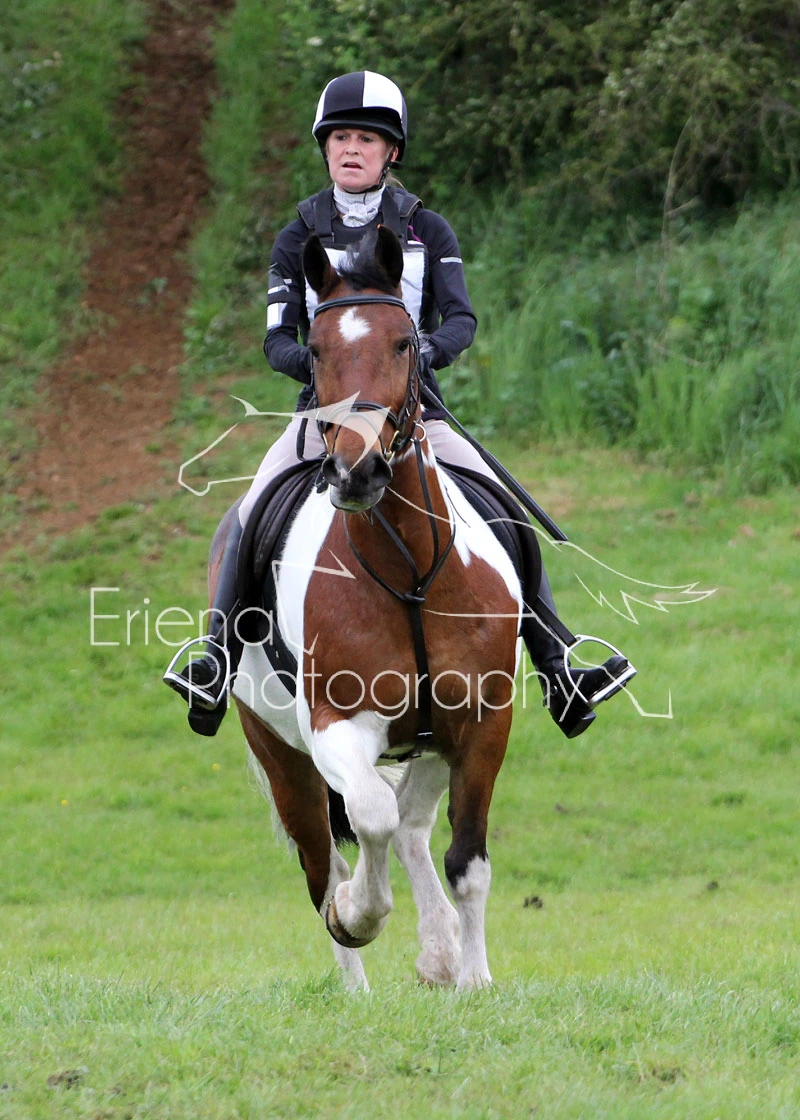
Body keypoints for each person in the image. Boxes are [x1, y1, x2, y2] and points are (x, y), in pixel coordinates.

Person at [164, 70, 636, 737]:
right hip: (324, 415)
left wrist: (418, 358)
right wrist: (330, 374)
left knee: (505, 508)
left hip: (417, 413)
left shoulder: (427, 231)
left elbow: (460, 320)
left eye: (366, 139)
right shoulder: (296, 237)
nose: (350, 149)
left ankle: (559, 664)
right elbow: (276, 341)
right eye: (340, 138)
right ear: (325, 148)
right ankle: (216, 659)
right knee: (251, 509)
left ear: (391, 152)